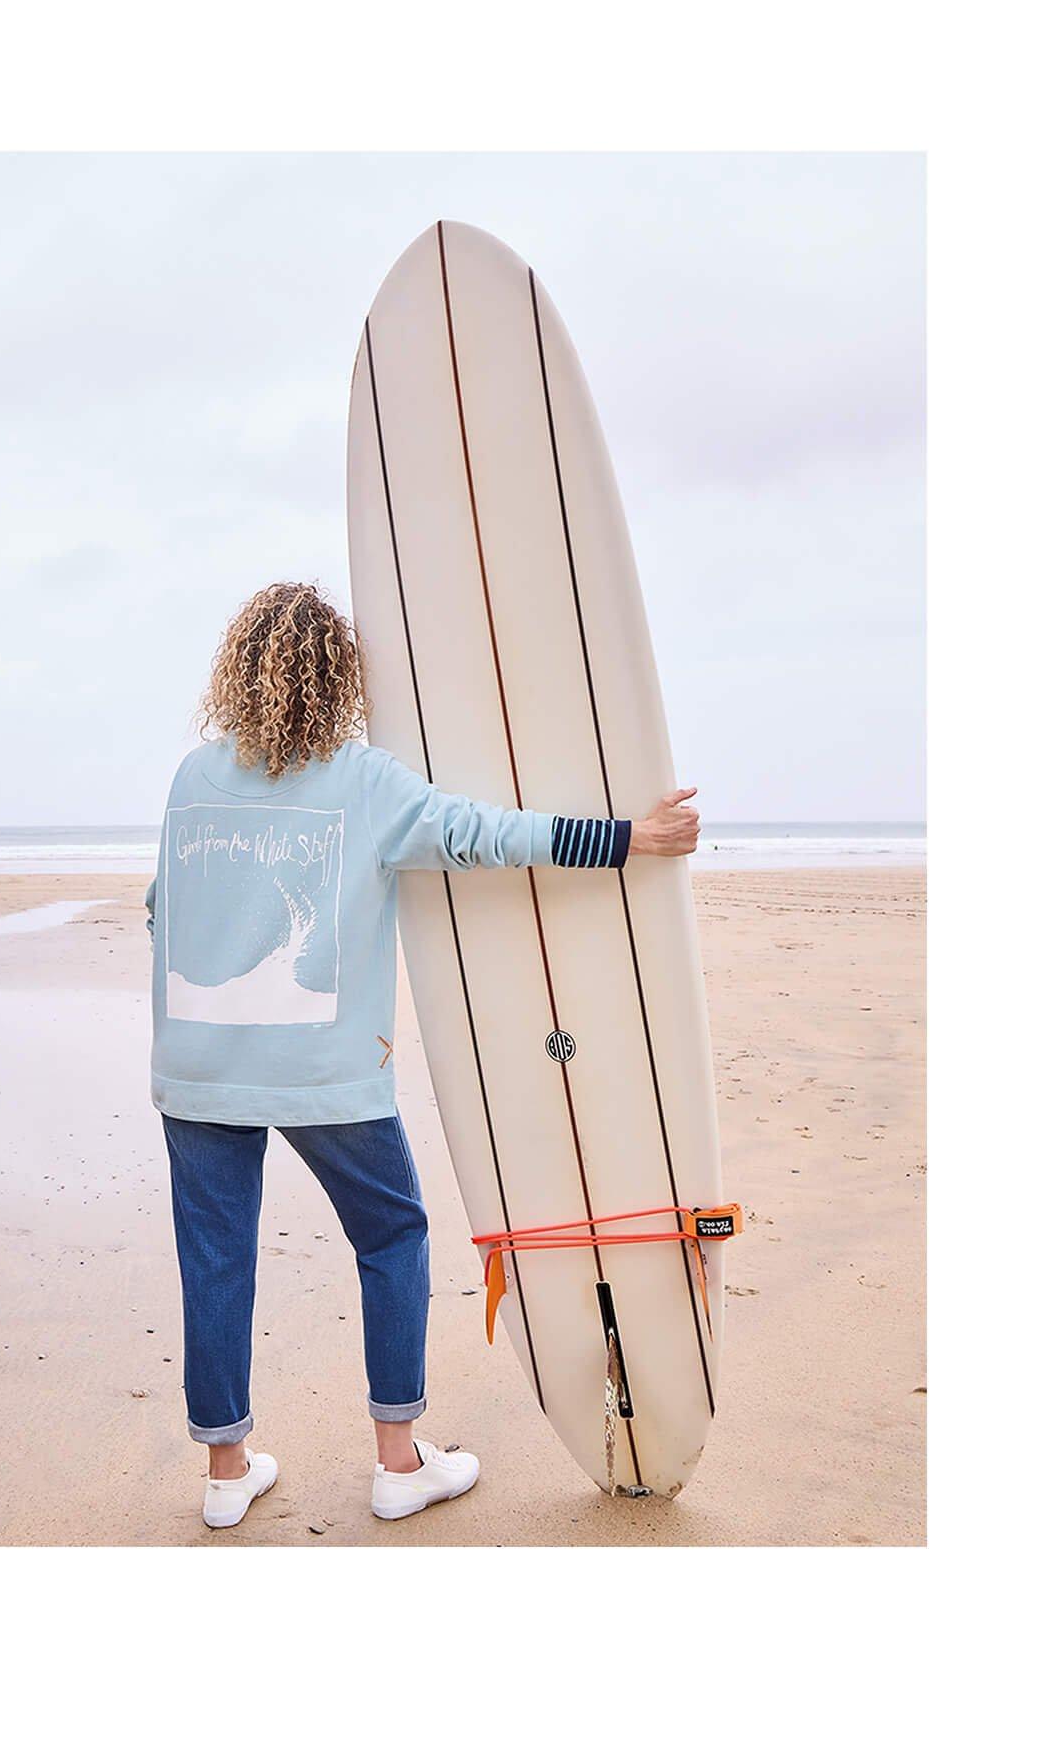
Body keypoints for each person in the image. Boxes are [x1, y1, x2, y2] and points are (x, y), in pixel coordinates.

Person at [144, 582, 698, 1528]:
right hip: (327, 1072)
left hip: (195, 1070)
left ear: (237, 675)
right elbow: (486, 836)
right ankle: (399, 1462)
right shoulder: (364, 781)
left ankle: (227, 1474)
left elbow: (163, 906)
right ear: (340, 680)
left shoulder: (194, 778)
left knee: (215, 1256)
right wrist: (629, 839)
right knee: (393, 1237)